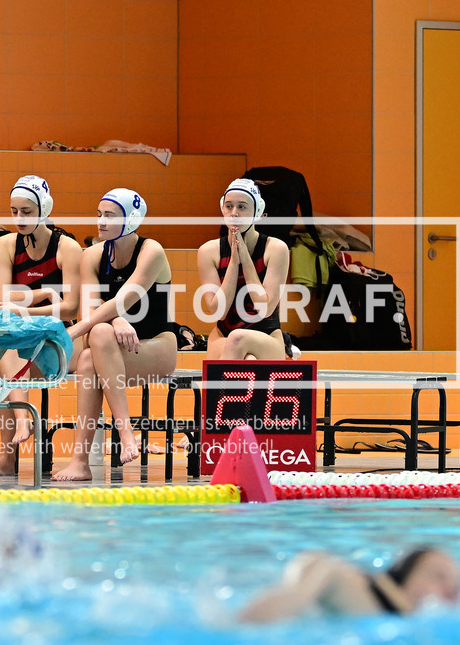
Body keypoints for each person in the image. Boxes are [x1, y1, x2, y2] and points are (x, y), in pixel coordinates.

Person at [52, 189, 177, 481]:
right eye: (99, 215)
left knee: (92, 347)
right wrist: (116, 320)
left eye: (110, 215)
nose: (101, 222)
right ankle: (92, 454)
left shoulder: (152, 252)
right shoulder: (93, 256)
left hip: (156, 345)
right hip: (108, 347)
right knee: (93, 347)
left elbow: (123, 299)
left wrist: (72, 332)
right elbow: (94, 309)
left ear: (131, 219)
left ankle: (116, 436)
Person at [0, 175, 83, 476]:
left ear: (44, 209)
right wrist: (46, 295)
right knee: (10, 353)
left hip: (62, 339)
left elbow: (73, 307)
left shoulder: (68, 247)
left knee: (11, 358)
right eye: (14, 212)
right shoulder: (6, 244)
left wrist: (25, 308)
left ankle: (9, 452)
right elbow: (0, 297)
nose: (19, 219)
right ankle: (20, 425)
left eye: (27, 211)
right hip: (22, 339)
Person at [197, 178, 291, 361]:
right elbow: (219, 312)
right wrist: (233, 263)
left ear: (257, 212)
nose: (234, 213)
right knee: (242, 350)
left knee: (239, 339)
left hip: (268, 337)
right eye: (229, 206)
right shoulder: (208, 252)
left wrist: (245, 259)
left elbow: (264, 309)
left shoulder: (276, 249)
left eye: (242, 207)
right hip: (223, 337)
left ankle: (222, 391)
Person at [237, 547, 460, 622]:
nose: (448, 589)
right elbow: (324, 571)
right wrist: (297, 598)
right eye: (439, 576)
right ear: (409, 576)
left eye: (454, 584)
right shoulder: (353, 588)